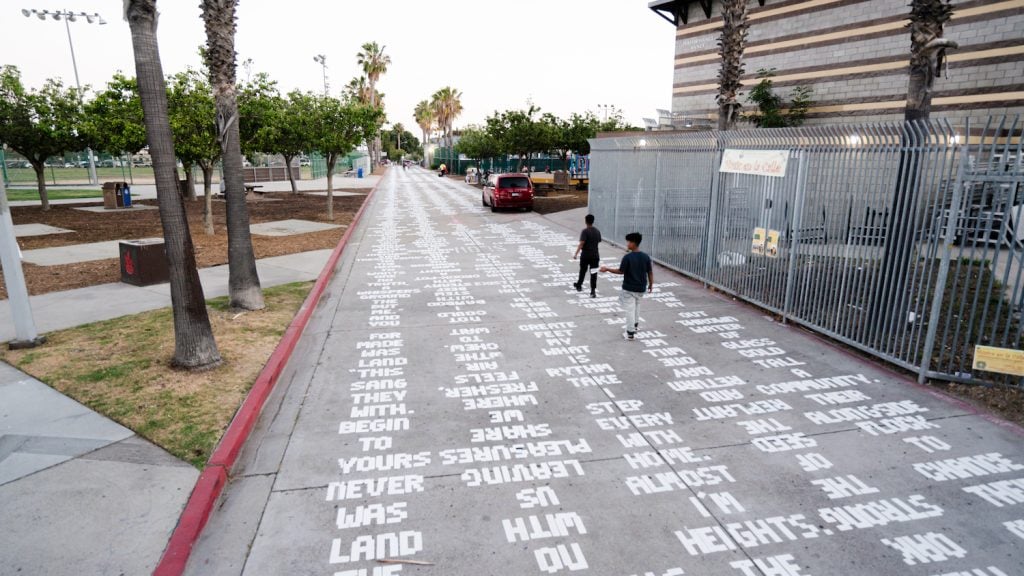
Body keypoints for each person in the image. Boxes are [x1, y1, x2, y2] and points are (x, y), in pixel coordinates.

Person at [600, 232, 653, 341]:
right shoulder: (646, 257)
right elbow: (650, 272)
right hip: (641, 287)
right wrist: (651, 284)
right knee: (637, 306)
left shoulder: (628, 257)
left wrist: (607, 269)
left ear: (633, 243)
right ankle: (635, 326)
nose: (627, 244)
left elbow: (621, 271)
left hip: (629, 288)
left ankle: (630, 333)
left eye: (628, 242)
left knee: (630, 310)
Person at [572, 214, 602, 298]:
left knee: (583, 271)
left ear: (586, 221)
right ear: (593, 221)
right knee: (594, 273)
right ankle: (593, 291)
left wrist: (576, 253)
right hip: (595, 255)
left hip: (585, 255)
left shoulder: (585, 231)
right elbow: (599, 240)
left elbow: (582, 243)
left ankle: (579, 285)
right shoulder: (597, 231)